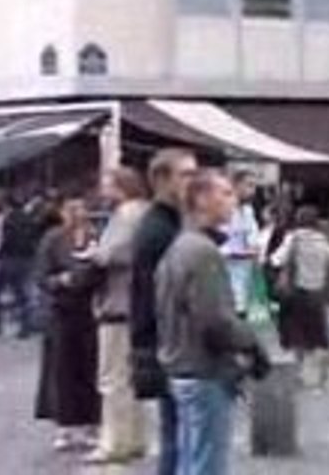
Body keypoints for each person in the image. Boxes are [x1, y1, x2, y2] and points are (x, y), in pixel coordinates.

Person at [156, 169, 269, 475]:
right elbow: (215, 319)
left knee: (191, 457)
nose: (233, 201)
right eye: (226, 193)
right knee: (207, 463)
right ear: (202, 200)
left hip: (182, 367)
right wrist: (252, 345)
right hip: (204, 370)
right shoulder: (202, 252)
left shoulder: (180, 247)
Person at [130, 149, 198, 475]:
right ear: (160, 179)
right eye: (185, 175)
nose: (193, 182)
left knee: (179, 434)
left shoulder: (171, 224)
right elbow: (164, 295)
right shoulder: (159, 230)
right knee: (179, 438)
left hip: (169, 344)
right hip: (170, 345)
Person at [85, 168, 150, 465]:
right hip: (139, 304)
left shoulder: (125, 216)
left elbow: (111, 254)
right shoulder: (147, 213)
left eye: (106, 184)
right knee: (133, 376)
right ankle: (137, 437)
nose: (101, 190)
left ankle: (114, 442)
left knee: (112, 378)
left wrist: (92, 256)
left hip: (117, 301)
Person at [34, 198, 101, 452]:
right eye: (70, 210)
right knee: (61, 369)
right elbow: (41, 275)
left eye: (80, 208)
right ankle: (64, 426)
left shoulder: (95, 235)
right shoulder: (52, 238)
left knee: (90, 367)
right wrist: (60, 281)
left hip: (89, 311)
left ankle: (92, 423)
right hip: (61, 311)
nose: (76, 214)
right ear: (62, 213)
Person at [271, 205, 329, 390]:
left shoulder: (292, 239)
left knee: (296, 337)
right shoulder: (322, 241)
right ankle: (320, 382)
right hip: (316, 294)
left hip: (294, 294)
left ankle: (298, 375)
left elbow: (276, 260)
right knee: (320, 339)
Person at [0, 195, 41, 338]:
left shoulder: (4, 219)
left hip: (6, 259)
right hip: (26, 260)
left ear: (6, 206)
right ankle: (25, 329)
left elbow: (0, 241)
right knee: (23, 296)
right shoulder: (29, 218)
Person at [220, 170, 260, 315]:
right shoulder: (222, 208)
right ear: (236, 185)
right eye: (249, 185)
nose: (253, 191)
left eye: (254, 186)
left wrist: (254, 247)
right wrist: (234, 253)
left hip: (244, 274)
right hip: (225, 274)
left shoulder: (248, 211)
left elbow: (253, 236)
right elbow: (215, 240)